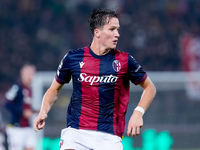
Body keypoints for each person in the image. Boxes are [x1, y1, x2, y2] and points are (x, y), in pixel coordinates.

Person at [34, 8, 156, 150]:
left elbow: (150, 88)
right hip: (76, 132)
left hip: (110, 136)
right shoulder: (72, 58)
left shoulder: (124, 60)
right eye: (112, 29)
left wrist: (138, 112)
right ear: (97, 32)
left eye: (117, 29)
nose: (117, 34)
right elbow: (54, 89)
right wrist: (43, 110)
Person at [4, 64, 37, 150]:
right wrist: (22, 112)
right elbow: (7, 104)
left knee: (30, 147)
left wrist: (34, 111)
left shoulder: (30, 89)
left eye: (32, 74)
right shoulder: (17, 87)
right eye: (29, 74)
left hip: (28, 126)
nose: (31, 76)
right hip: (16, 127)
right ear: (22, 74)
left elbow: (26, 108)